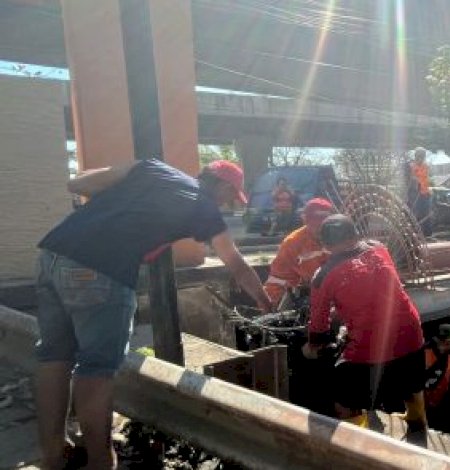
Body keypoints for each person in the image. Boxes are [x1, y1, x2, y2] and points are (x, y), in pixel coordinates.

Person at [34, 158, 272, 470]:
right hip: (101, 269)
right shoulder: (205, 208)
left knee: (53, 356)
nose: (229, 202)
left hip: (53, 253)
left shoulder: (153, 168)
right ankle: (100, 461)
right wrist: (264, 300)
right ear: (225, 186)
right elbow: (234, 261)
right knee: (96, 367)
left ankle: (52, 455)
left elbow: (76, 184)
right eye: (232, 195)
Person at [301, 214, 428, 446]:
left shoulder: (322, 276)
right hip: (412, 333)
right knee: (412, 382)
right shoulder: (380, 249)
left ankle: (356, 442)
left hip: (368, 347)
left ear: (325, 245)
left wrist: (311, 348)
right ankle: (418, 423)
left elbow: (318, 327)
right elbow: (373, 292)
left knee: (343, 393)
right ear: (355, 235)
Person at [262, 197, 336, 307]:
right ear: (305, 220)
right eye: (316, 222)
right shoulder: (293, 242)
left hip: (320, 292)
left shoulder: (336, 237)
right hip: (291, 297)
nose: (321, 227)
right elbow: (277, 281)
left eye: (324, 222)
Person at [406, 147, 433, 235]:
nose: (421, 158)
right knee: (416, 214)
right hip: (415, 194)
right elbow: (410, 179)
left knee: (427, 213)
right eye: (419, 156)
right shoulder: (411, 166)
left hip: (425, 193)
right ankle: (416, 234)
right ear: (416, 156)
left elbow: (427, 179)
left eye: (423, 156)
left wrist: (429, 189)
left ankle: (428, 233)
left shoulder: (426, 166)